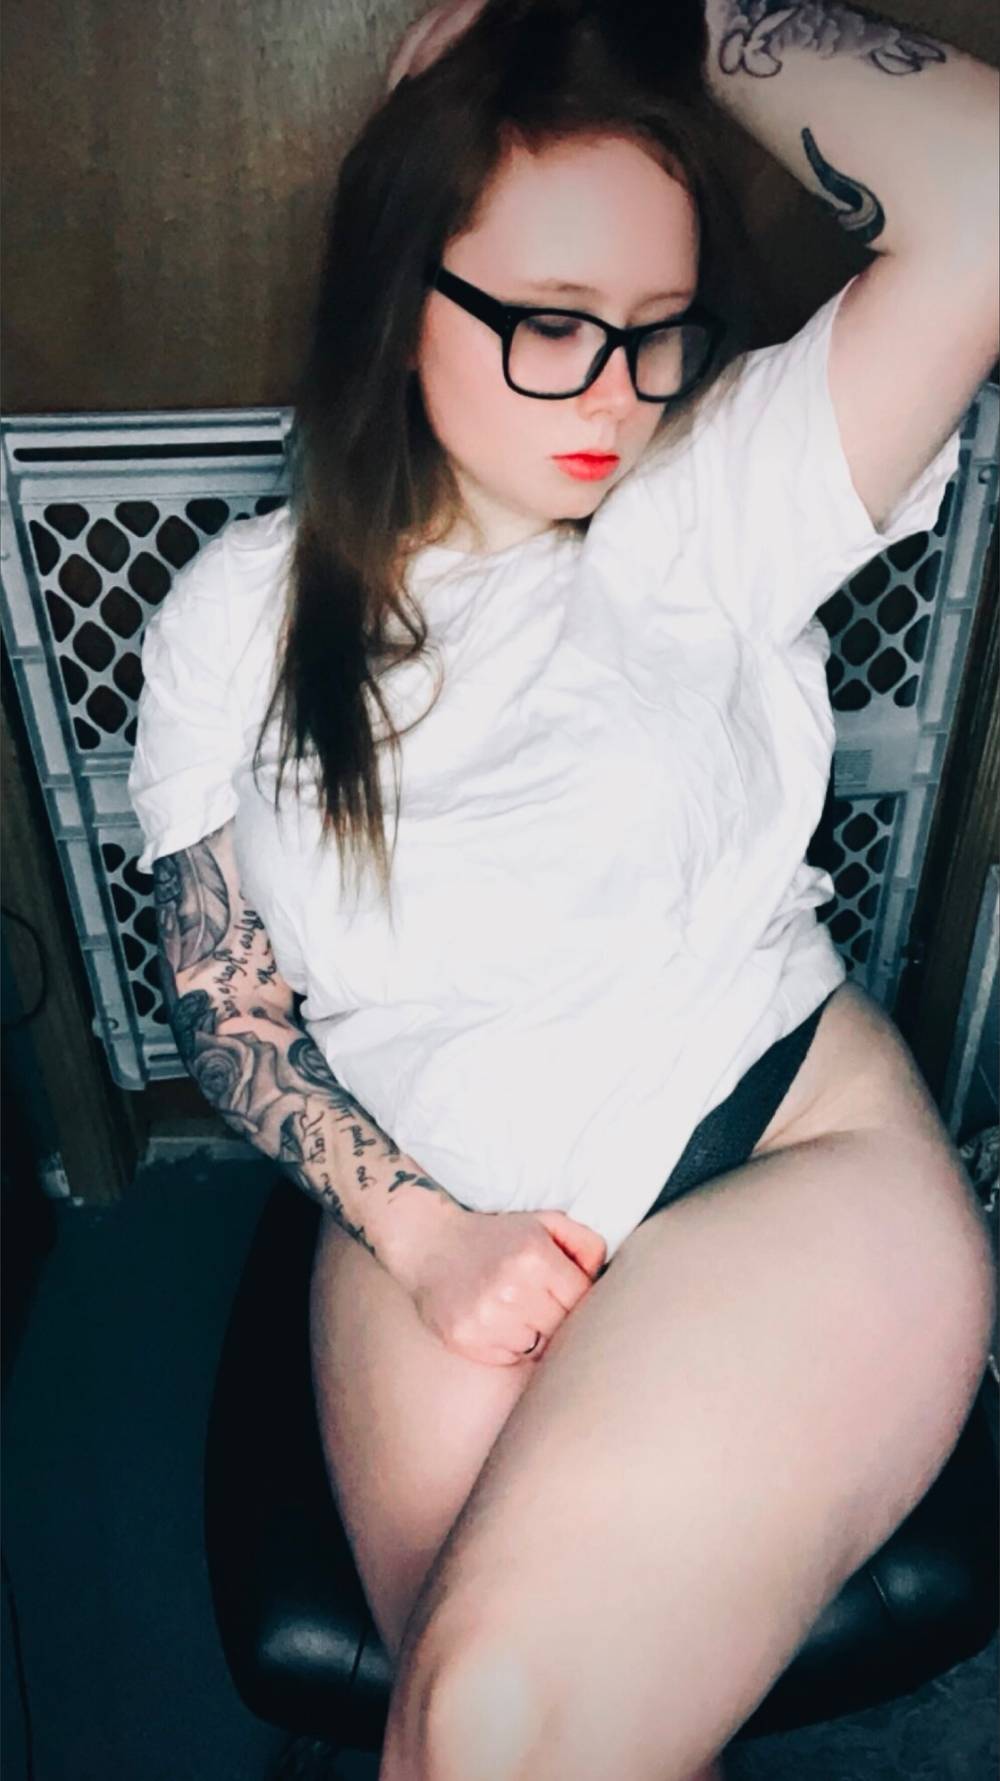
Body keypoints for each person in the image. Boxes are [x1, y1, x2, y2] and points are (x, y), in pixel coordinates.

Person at [129, 2, 998, 1776]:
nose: (616, 393)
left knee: (502, 1719)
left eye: (657, 328)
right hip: (444, 1211)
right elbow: (225, 1002)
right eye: (549, 323)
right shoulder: (239, 616)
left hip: (775, 1157)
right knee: (498, 1724)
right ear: (405, 294)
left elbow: (984, 192)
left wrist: (651, 15)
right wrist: (423, 1234)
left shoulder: (715, 499)